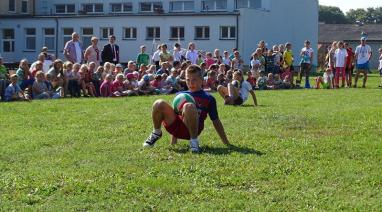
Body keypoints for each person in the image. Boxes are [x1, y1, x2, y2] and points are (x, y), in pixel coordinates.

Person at [143, 65, 229, 153]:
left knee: (189, 106)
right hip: (176, 127)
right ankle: (156, 133)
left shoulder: (209, 98)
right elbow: (176, 114)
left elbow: (216, 121)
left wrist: (226, 143)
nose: (191, 83)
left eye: (194, 80)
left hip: (193, 129)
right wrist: (173, 140)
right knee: (159, 103)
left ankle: (194, 142)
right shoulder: (180, 95)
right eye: (188, 80)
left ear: (202, 80)